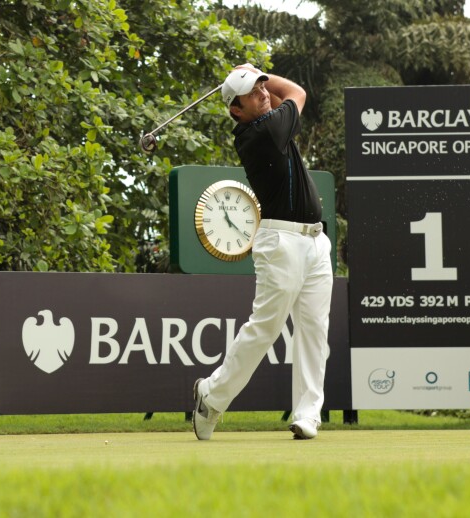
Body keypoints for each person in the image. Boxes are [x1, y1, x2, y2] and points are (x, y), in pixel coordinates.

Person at [191, 64, 333, 440]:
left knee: (315, 331)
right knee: (265, 329)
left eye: (261, 87)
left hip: (316, 242)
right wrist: (262, 70)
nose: (263, 93)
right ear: (237, 111)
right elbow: (298, 91)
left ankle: (308, 414)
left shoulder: (267, 119)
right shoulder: (262, 132)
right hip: (281, 242)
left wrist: (253, 75)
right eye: (253, 93)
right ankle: (211, 395)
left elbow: (283, 95)